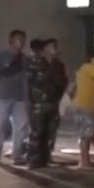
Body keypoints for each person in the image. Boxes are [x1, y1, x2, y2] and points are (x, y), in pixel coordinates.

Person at [0, 28, 29, 165]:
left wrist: (27, 98)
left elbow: (27, 80)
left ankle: (17, 155)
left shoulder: (25, 60)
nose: (21, 42)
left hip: (20, 98)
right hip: (3, 97)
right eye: (18, 39)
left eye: (23, 40)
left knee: (20, 128)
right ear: (11, 41)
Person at [24, 38, 68, 169]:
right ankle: (33, 160)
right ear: (45, 50)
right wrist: (28, 100)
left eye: (55, 47)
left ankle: (45, 158)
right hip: (38, 103)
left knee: (50, 133)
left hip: (53, 102)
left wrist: (59, 97)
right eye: (51, 47)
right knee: (37, 132)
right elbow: (28, 83)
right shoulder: (34, 64)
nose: (55, 50)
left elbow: (63, 82)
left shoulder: (59, 65)